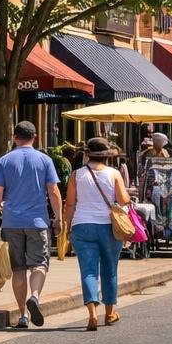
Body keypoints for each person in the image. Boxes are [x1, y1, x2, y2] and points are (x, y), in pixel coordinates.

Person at [0, 120, 62, 329]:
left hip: (12, 222)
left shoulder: (4, 161)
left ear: (15, 137)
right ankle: (35, 296)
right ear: (35, 137)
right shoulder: (45, 160)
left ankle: (22, 315)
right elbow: (54, 192)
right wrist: (58, 218)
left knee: (18, 269)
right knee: (39, 264)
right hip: (37, 222)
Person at [65, 137, 132, 330]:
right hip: (108, 227)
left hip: (82, 225)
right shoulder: (114, 173)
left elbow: (70, 204)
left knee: (88, 271)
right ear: (106, 156)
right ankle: (109, 313)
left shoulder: (76, 175)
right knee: (109, 269)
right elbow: (123, 199)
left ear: (88, 154)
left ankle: (92, 313)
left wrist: (67, 227)